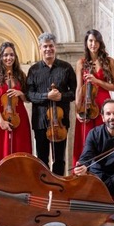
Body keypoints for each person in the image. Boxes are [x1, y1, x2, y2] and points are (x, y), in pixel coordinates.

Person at [26, 32, 76, 176]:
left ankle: (58, 189)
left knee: (59, 159)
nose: (48, 49)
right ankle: (43, 188)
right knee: (42, 159)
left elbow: (74, 92)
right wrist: (46, 96)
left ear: (55, 48)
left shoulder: (66, 68)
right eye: (45, 46)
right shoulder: (33, 70)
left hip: (60, 122)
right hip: (40, 121)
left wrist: (61, 96)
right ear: (40, 48)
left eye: (51, 46)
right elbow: (29, 95)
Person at [0, 42, 33, 182]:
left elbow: (27, 98)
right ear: (1, 57)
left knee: (20, 149)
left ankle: (21, 185)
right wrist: (0, 121)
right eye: (5, 55)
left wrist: (20, 93)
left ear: (15, 57)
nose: (8, 58)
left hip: (19, 117)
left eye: (11, 55)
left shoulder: (21, 75)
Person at [73, 29, 114, 165]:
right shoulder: (81, 63)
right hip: (86, 104)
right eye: (91, 41)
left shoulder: (109, 62)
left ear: (100, 43)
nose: (94, 44)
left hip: (104, 103)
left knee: (103, 139)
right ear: (86, 43)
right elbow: (79, 88)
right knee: (86, 139)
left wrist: (96, 80)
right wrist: (77, 110)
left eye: (96, 41)